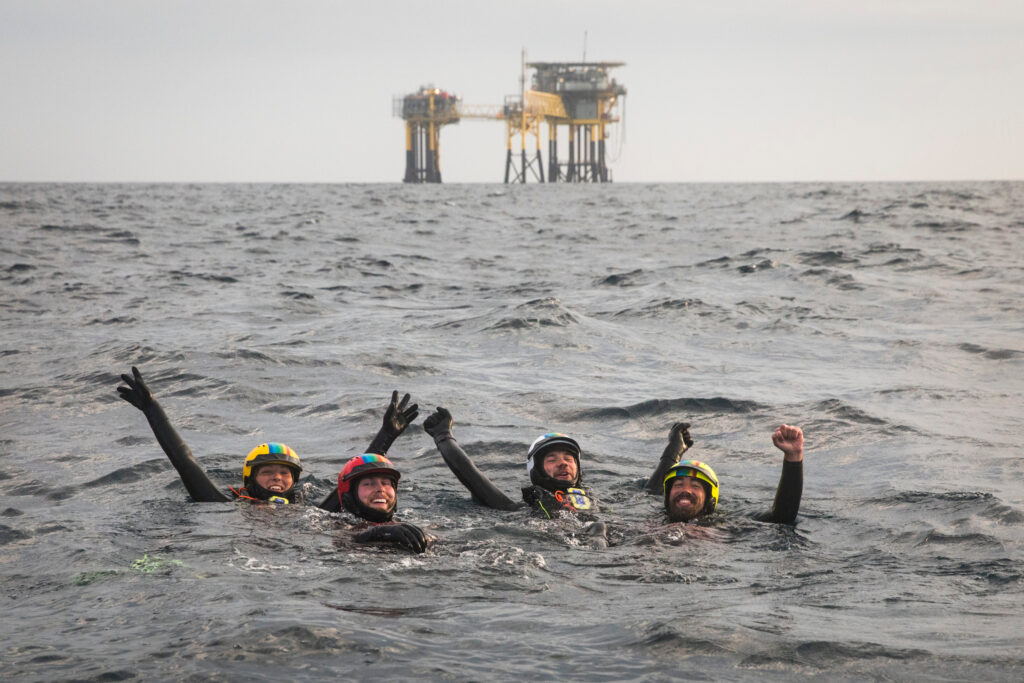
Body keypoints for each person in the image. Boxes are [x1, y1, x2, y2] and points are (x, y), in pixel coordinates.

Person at [116, 364, 415, 505]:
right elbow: (185, 462)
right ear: (249, 480)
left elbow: (355, 477)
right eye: (268, 472)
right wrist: (152, 410)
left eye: (285, 474)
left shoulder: (314, 513)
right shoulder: (223, 507)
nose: (277, 478)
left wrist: (386, 435)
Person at [423, 406, 608, 545]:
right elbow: (471, 476)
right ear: (536, 471)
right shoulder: (518, 510)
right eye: (552, 459)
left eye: (569, 458)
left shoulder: (598, 502)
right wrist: (443, 436)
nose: (563, 463)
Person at [646, 422, 803, 524]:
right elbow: (652, 490)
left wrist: (793, 457)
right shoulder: (654, 518)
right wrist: (674, 448)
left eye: (695, 486)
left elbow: (782, 517)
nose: (685, 490)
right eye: (679, 485)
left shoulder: (723, 525)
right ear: (668, 495)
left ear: (710, 500)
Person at [327, 453, 431, 554]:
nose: (380, 489)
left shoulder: (400, 525)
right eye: (368, 484)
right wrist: (378, 533)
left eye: (386, 483)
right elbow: (343, 541)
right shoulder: (335, 525)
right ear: (349, 496)